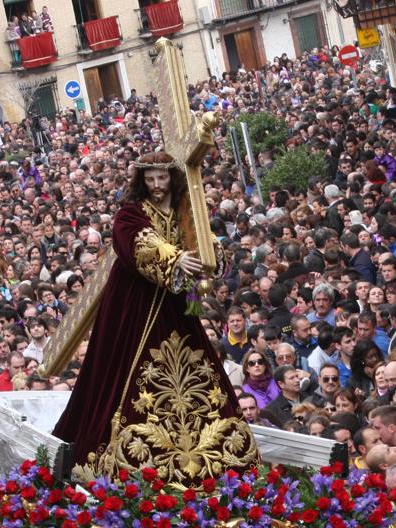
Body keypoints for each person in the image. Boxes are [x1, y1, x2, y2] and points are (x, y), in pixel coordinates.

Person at [51, 151, 255, 483]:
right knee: (124, 376)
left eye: (162, 178)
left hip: (177, 306)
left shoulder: (186, 211)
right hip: (135, 306)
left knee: (195, 371)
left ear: (172, 178)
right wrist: (174, 259)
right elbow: (136, 240)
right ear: (141, 181)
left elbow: (205, 240)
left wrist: (209, 256)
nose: (157, 185)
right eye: (150, 179)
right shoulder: (131, 212)